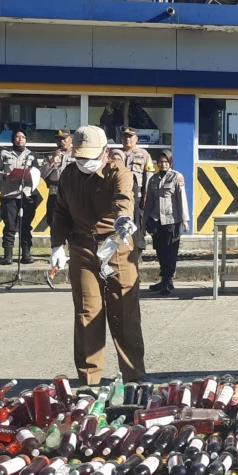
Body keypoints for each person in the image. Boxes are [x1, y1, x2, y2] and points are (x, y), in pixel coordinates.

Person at [49, 125, 146, 385]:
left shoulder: (119, 172)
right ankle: (89, 381)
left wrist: (123, 218)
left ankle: (133, 378)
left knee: (124, 311)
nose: (84, 162)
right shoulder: (69, 174)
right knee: (86, 314)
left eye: (90, 157)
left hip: (116, 245)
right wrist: (57, 245)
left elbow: (123, 198)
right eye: (79, 156)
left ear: (105, 152)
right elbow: (60, 212)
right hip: (81, 248)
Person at [0, 129, 43, 265]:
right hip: (9, 194)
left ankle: (26, 254)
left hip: (26, 194)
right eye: (17, 136)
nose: (20, 139)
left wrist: (31, 176)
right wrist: (4, 175)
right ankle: (7, 255)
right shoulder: (4, 153)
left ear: (26, 140)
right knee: (10, 225)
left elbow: (37, 173)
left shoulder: (31, 155)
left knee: (25, 226)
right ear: (13, 139)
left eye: (23, 137)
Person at [144, 150, 190, 296]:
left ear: (170, 162)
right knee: (160, 250)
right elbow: (149, 202)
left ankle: (168, 280)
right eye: (160, 162)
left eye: (166, 161)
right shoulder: (153, 179)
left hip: (172, 220)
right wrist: (145, 221)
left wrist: (184, 220)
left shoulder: (177, 177)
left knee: (171, 251)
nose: (163, 164)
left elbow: (182, 199)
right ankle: (164, 280)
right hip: (157, 220)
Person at [119, 128, 153, 251]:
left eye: (130, 137)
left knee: (138, 223)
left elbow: (148, 174)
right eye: (125, 137)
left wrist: (146, 194)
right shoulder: (116, 154)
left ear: (136, 139)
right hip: (120, 195)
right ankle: (123, 248)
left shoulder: (144, 154)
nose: (127, 139)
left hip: (137, 195)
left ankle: (138, 250)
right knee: (121, 222)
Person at [41, 130, 74, 230]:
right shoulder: (50, 156)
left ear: (70, 139)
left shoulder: (77, 156)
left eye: (64, 138)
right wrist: (52, 161)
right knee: (53, 221)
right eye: (59, 139)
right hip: (54, 194)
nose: (61, 141)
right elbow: (42, 174)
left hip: (71, 195)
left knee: (71, 223)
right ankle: (56, 244)